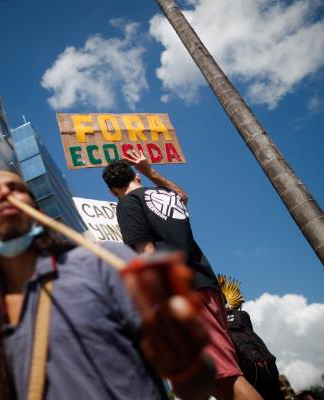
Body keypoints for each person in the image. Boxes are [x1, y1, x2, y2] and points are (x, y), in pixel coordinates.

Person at [0, 170, 216, 400]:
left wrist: (183, 357)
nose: (5, 192)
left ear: (38, 216)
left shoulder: (105, 262)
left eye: (17, 189)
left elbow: (198, 387)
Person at [102, 150, 262, 400]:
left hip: (181, 295)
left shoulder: (126, 204)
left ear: (112, 191)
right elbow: (183, 196)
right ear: (137, 176)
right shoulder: (166, 195)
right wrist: (150, 171)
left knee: (225, 376)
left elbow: (146, 252)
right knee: (215, 380)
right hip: (205, 286)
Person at [218, 275, 283, 400]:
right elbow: (251, 332)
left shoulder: (217, 320)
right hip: (266, 362)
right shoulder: (242, 314)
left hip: (244, 368)